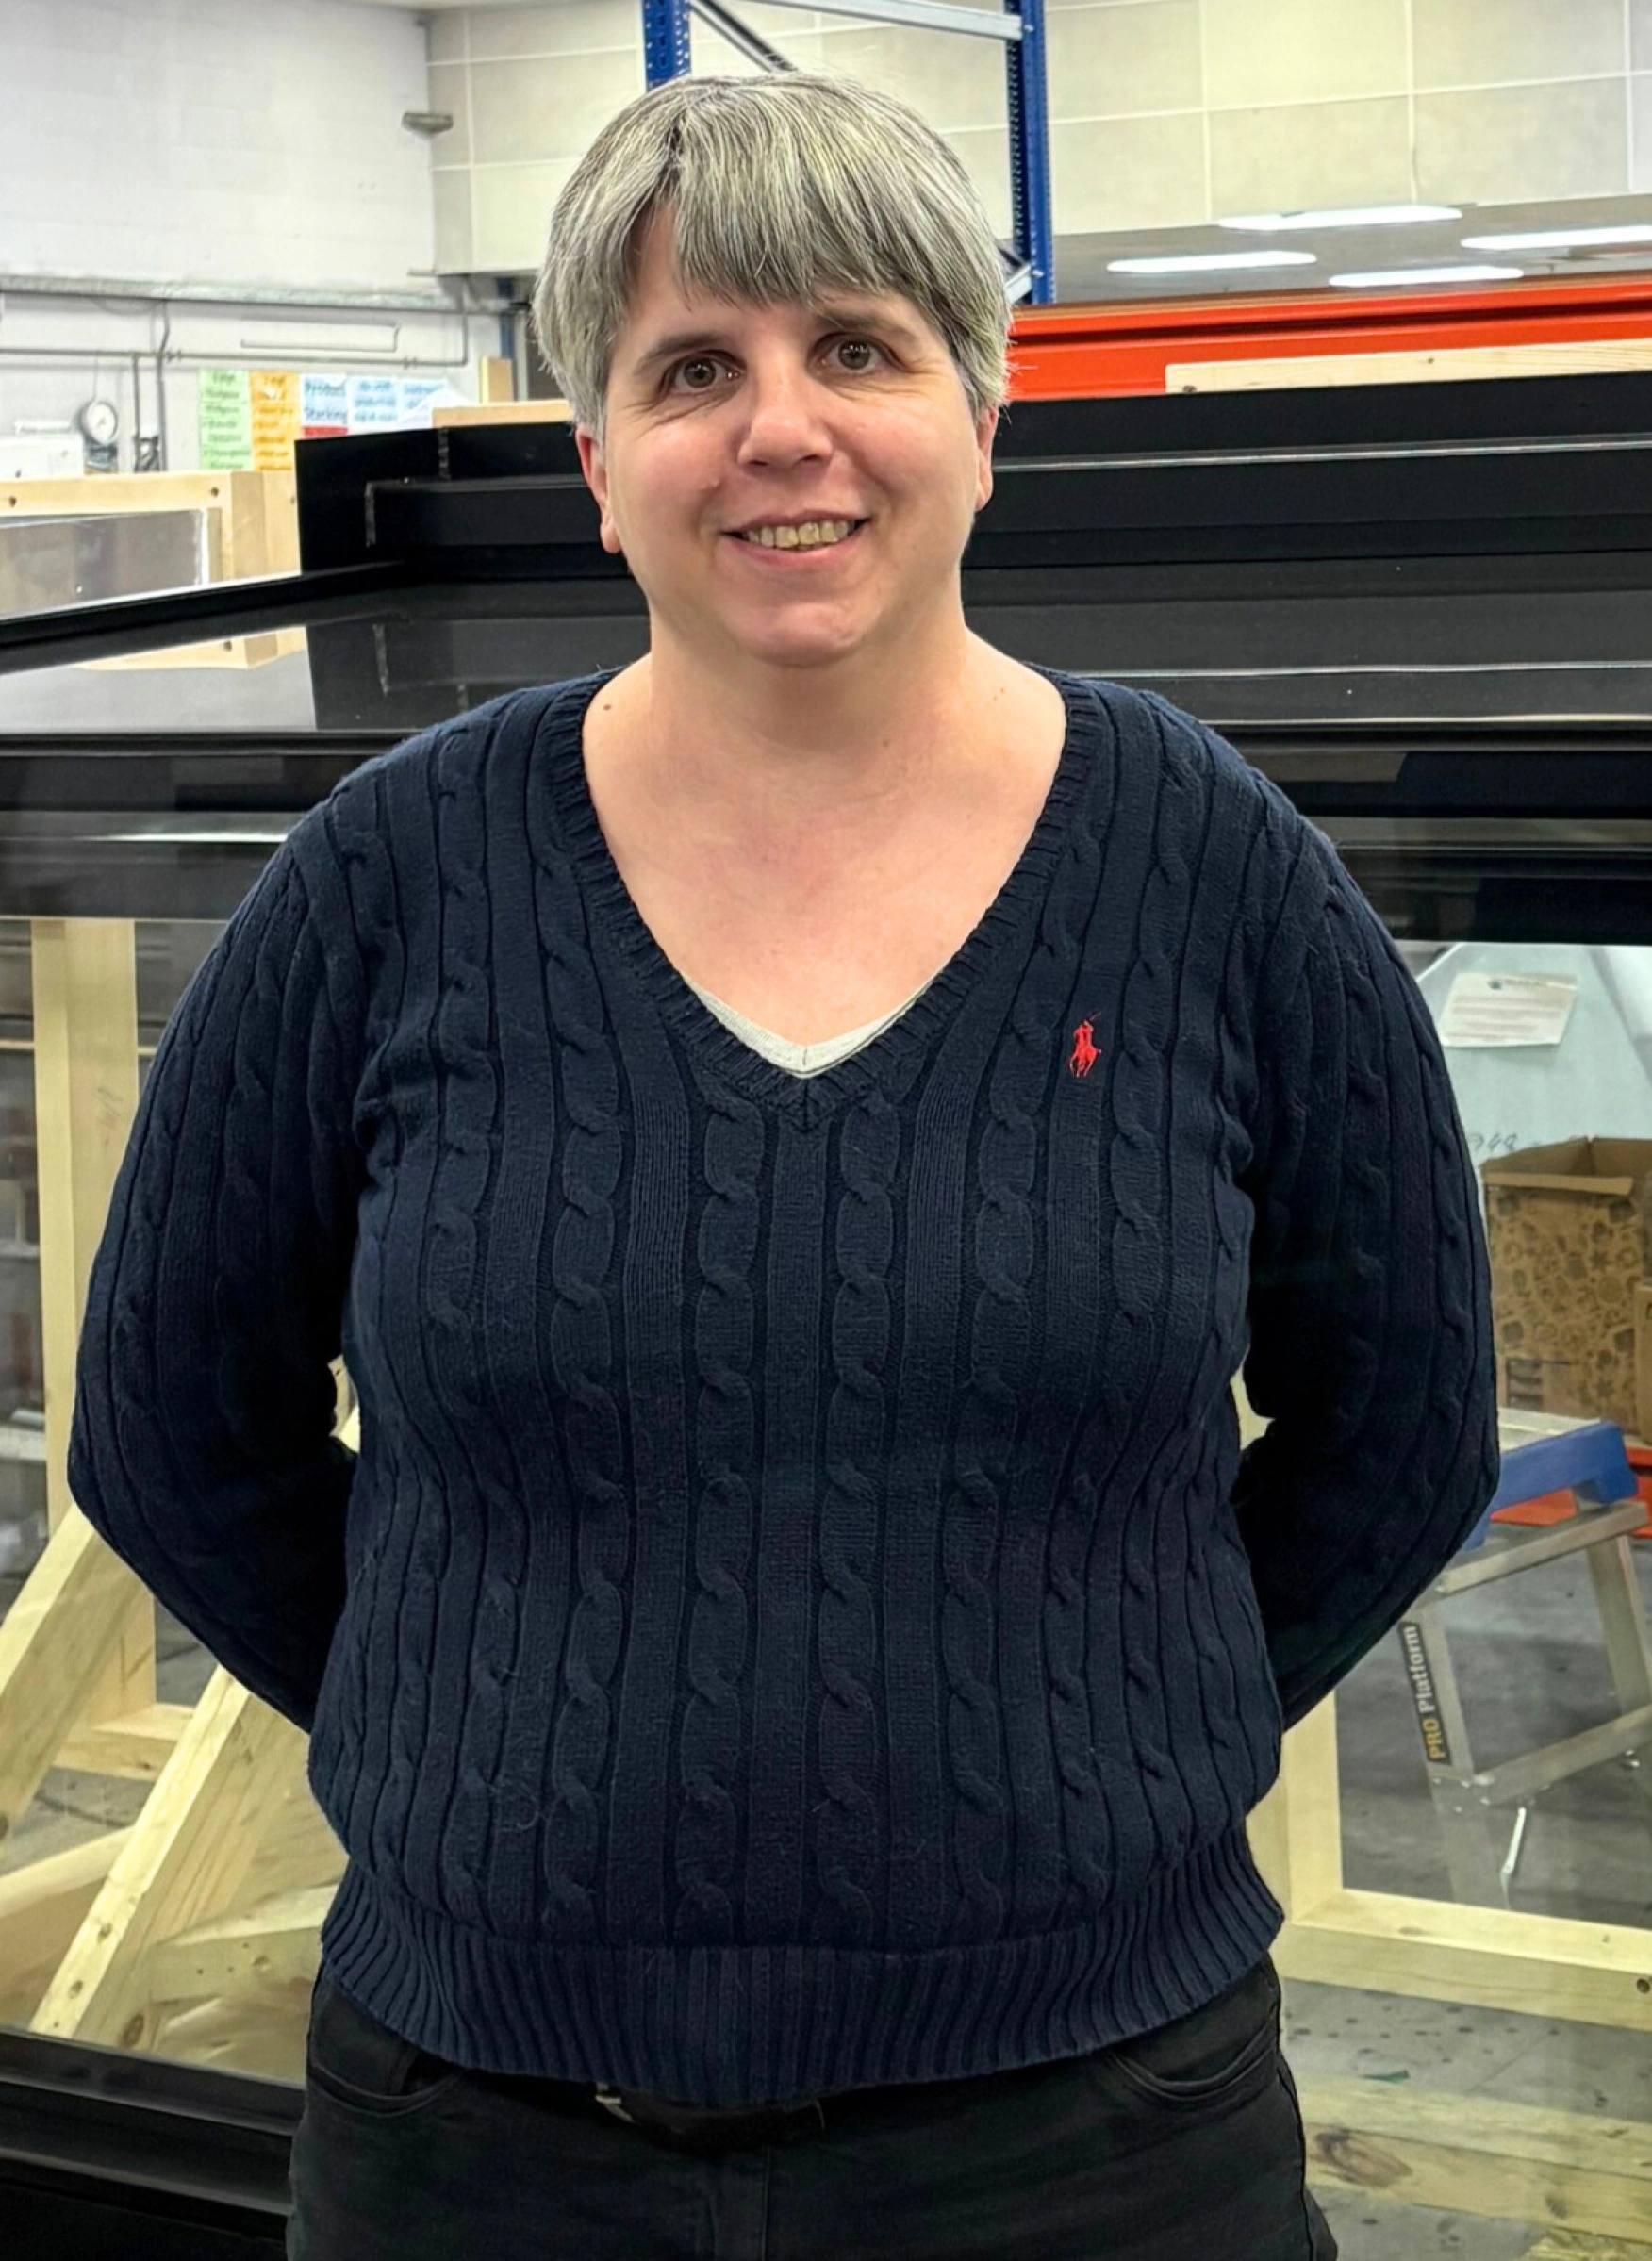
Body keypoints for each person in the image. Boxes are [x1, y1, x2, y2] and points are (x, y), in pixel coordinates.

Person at [68, 70, 1499, 2261]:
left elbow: (1397, 1427)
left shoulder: (1214, 873)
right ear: (599, 466)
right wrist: (470, 1741)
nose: (782, 428)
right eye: (692, 371)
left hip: (1096, 2134)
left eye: (857, 348)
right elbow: (173, 1424)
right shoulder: (385, 882)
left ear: (979, 419)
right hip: (482, 2137)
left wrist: (1117, 1736)